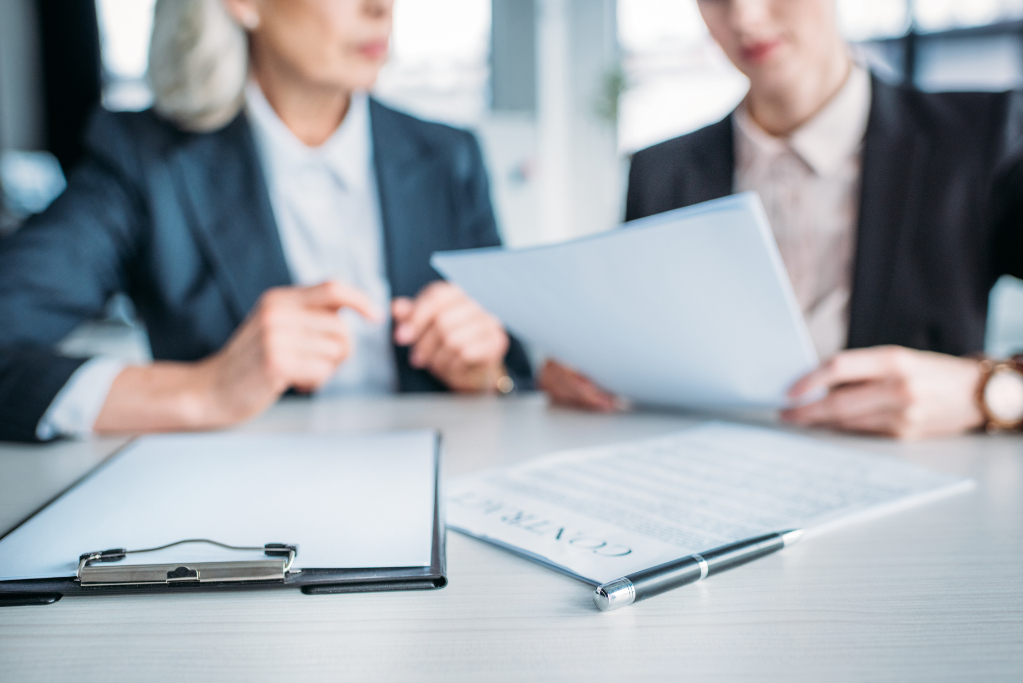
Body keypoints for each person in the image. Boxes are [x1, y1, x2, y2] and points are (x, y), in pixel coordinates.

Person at [0, 0, 531, 443]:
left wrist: (486, 375)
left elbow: (519, 376)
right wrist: (204, 391)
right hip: (237, 520)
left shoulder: (450, 156)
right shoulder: (146, 161)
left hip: (445, 493)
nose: (380, 8)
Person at [540, 0, 1023, 439]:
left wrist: (988, 392)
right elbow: (638, 341)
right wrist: (590, 367)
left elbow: (994, 394)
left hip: (917, 494)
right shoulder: (660, 172)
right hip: (705, 485)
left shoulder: (981, 139)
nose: (744, 17)